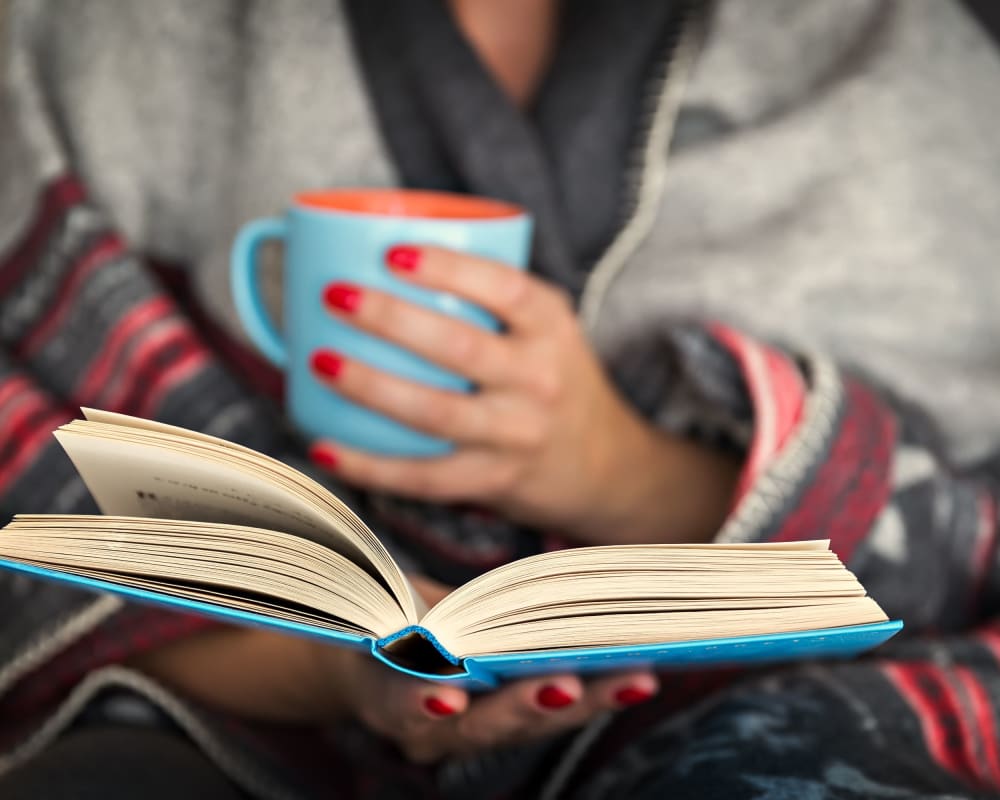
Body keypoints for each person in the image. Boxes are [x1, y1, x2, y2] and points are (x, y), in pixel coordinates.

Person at [1, 0, 999, 797]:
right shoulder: (93, 38)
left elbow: (972, 549)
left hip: (774, 705)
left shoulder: (920, 75)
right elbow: (34, 503)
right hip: (221, 713)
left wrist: (619, 468)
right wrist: (340, 662)